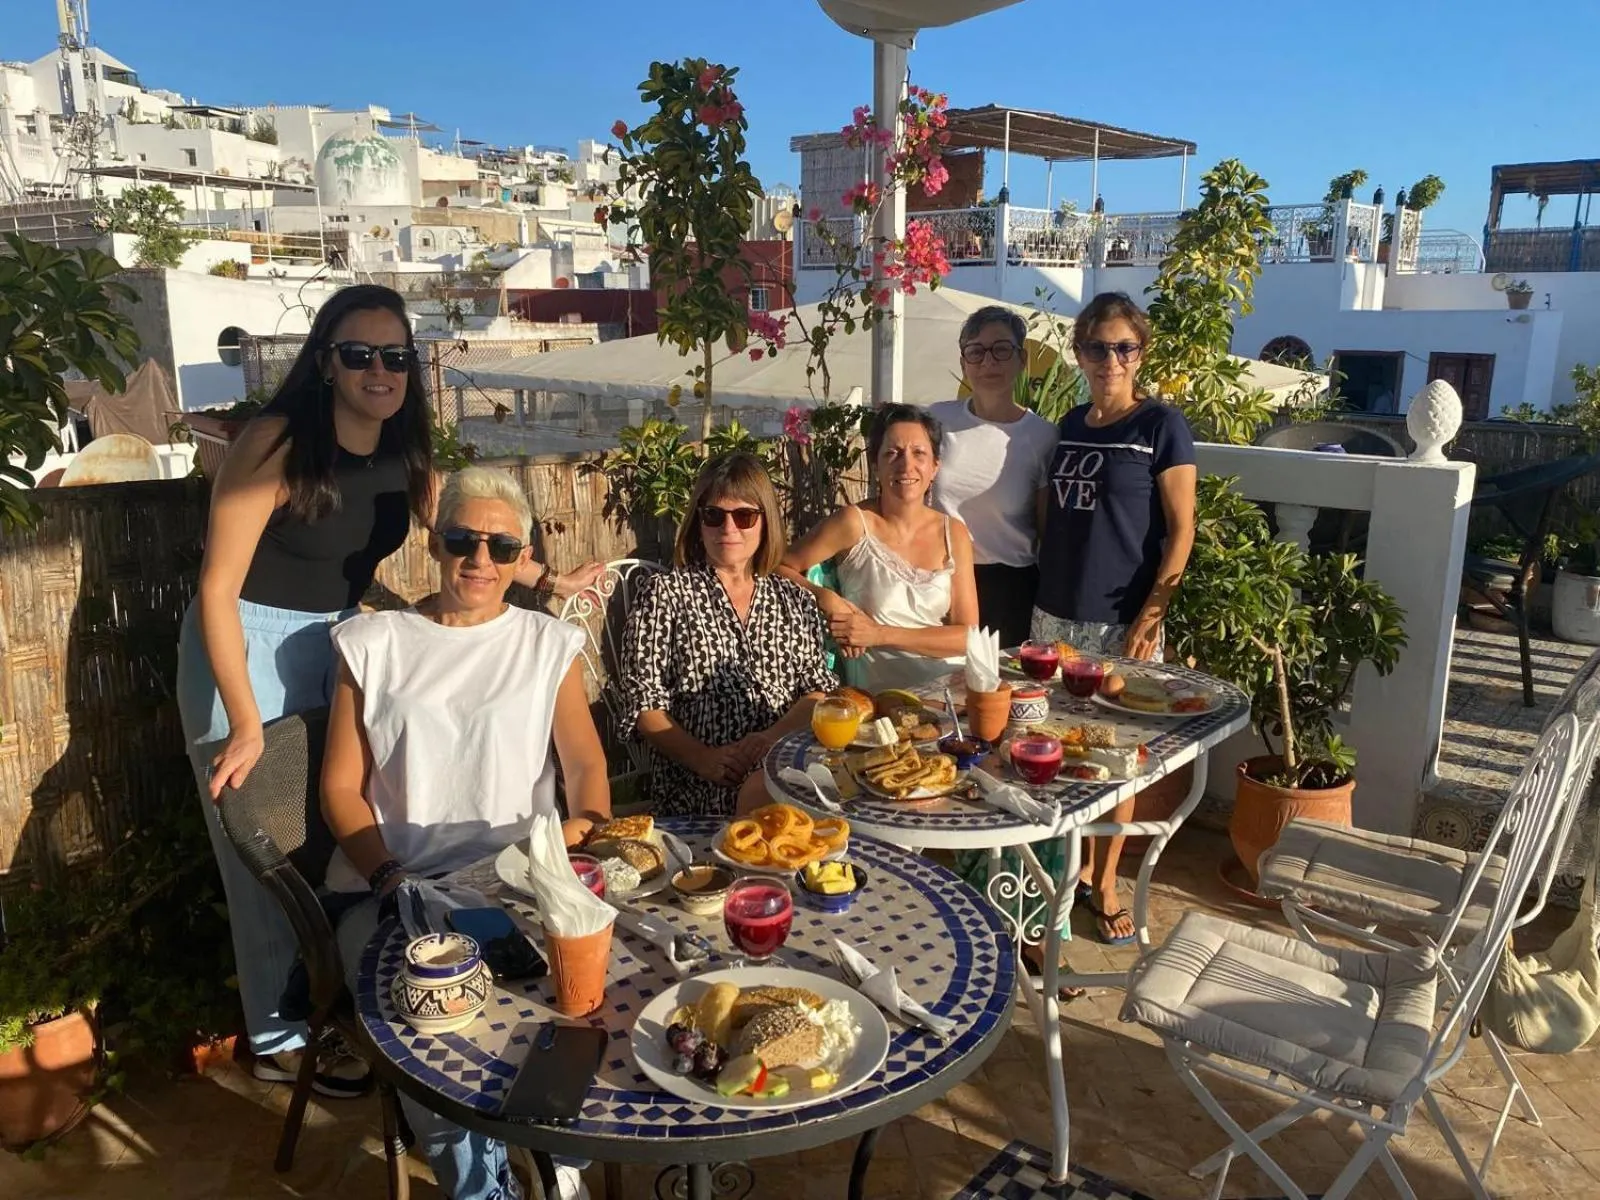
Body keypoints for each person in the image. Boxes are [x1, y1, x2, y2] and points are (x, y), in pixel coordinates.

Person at [176, 284, 600, 1096]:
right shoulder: (275, 440)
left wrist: (543, 578)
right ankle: (278, 1038)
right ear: (326, 362)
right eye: (359, 354)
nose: (379, 370)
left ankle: (336, 998)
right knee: (262, 843)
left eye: (395, 356)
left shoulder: (403, 447)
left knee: (329, 830)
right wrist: (244, 720)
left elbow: (467, 531)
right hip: (246, 643)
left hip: (337, 633)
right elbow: (217, 587)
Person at [323, 467, 609, 1200]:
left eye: (502, 547)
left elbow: (584, 765)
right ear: (434, 542)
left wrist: (579, 843)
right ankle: (482, 1189)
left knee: (582, 992)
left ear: (522, 558)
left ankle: (555, 1154)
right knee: (429, 1022)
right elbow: (339, 790)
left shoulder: (546, 643)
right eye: (463, 540)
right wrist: (390, 878)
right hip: (397, 888)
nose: (481, 559)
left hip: (519, 882)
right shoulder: (373, 642)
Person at [1033, 291, 1197, 946]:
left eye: (1124, 347)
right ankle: (1066, 875)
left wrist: (1153, 611)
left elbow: (1182, 530)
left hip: (1120, 620)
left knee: (1118, 756)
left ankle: (1103, 883)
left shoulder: (1161, 425)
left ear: (1141, 353)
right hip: (1054, 616)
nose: (1111, 360)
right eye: (1098, 348)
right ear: (1079, 354)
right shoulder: (1070, 423)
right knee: (1056, 748)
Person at [618, 452, 836, 818]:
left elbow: (817, 690)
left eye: (744, 516)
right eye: (714, 516)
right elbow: (643, 703)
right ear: (698, 523)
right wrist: (704, 759)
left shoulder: (793, 599)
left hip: (781, 769)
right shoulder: (665, 594)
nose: (729, 528)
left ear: (765, 522)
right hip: (697, 783)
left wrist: (770, 739)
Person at [780, 404, 979, 692]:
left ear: (935, 467)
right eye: (892, 453)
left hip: (948, 695)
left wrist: (879, 634)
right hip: (876, 701)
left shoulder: (953, 533)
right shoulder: (854, 523)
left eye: (919, 453)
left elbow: (968, 637)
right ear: (876, 466)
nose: (906, 465)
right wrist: (824, 597)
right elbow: (776, 565)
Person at [928, 306, 1059, 648]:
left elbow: (1047, 532)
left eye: (1001, 349)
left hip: (1010, 592)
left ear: (1022, 359)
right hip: (939, 582)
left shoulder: (1043, 437)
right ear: (964, 363)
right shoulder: (936, 420)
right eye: (976, 352)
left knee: (1001, 681)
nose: (989, 362)